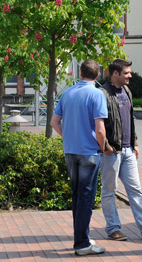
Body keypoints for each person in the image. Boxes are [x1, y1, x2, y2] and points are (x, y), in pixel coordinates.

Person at [100, 59, 142, 242]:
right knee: (109, 191)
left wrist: (135, 142)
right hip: (111, 152)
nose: (130, 75)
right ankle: (113, 228)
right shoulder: (103, 94)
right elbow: (97, 123)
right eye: (126, 73)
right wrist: (105, 145)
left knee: (136, 190)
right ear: (115, 74)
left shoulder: (127, 91)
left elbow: (131, 118)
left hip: (128, 150)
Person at [50, 59, 108, 256]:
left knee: (77, 196)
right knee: (86, 198)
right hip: (89, 152)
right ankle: (82, 244)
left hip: (71, 151)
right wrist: (103, 147)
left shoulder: (68, 93)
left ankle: (81, 237)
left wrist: (68, 136)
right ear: (97, 75)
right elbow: (100, 129)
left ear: (80, 72)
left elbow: (54, 122)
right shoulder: (96, 94)